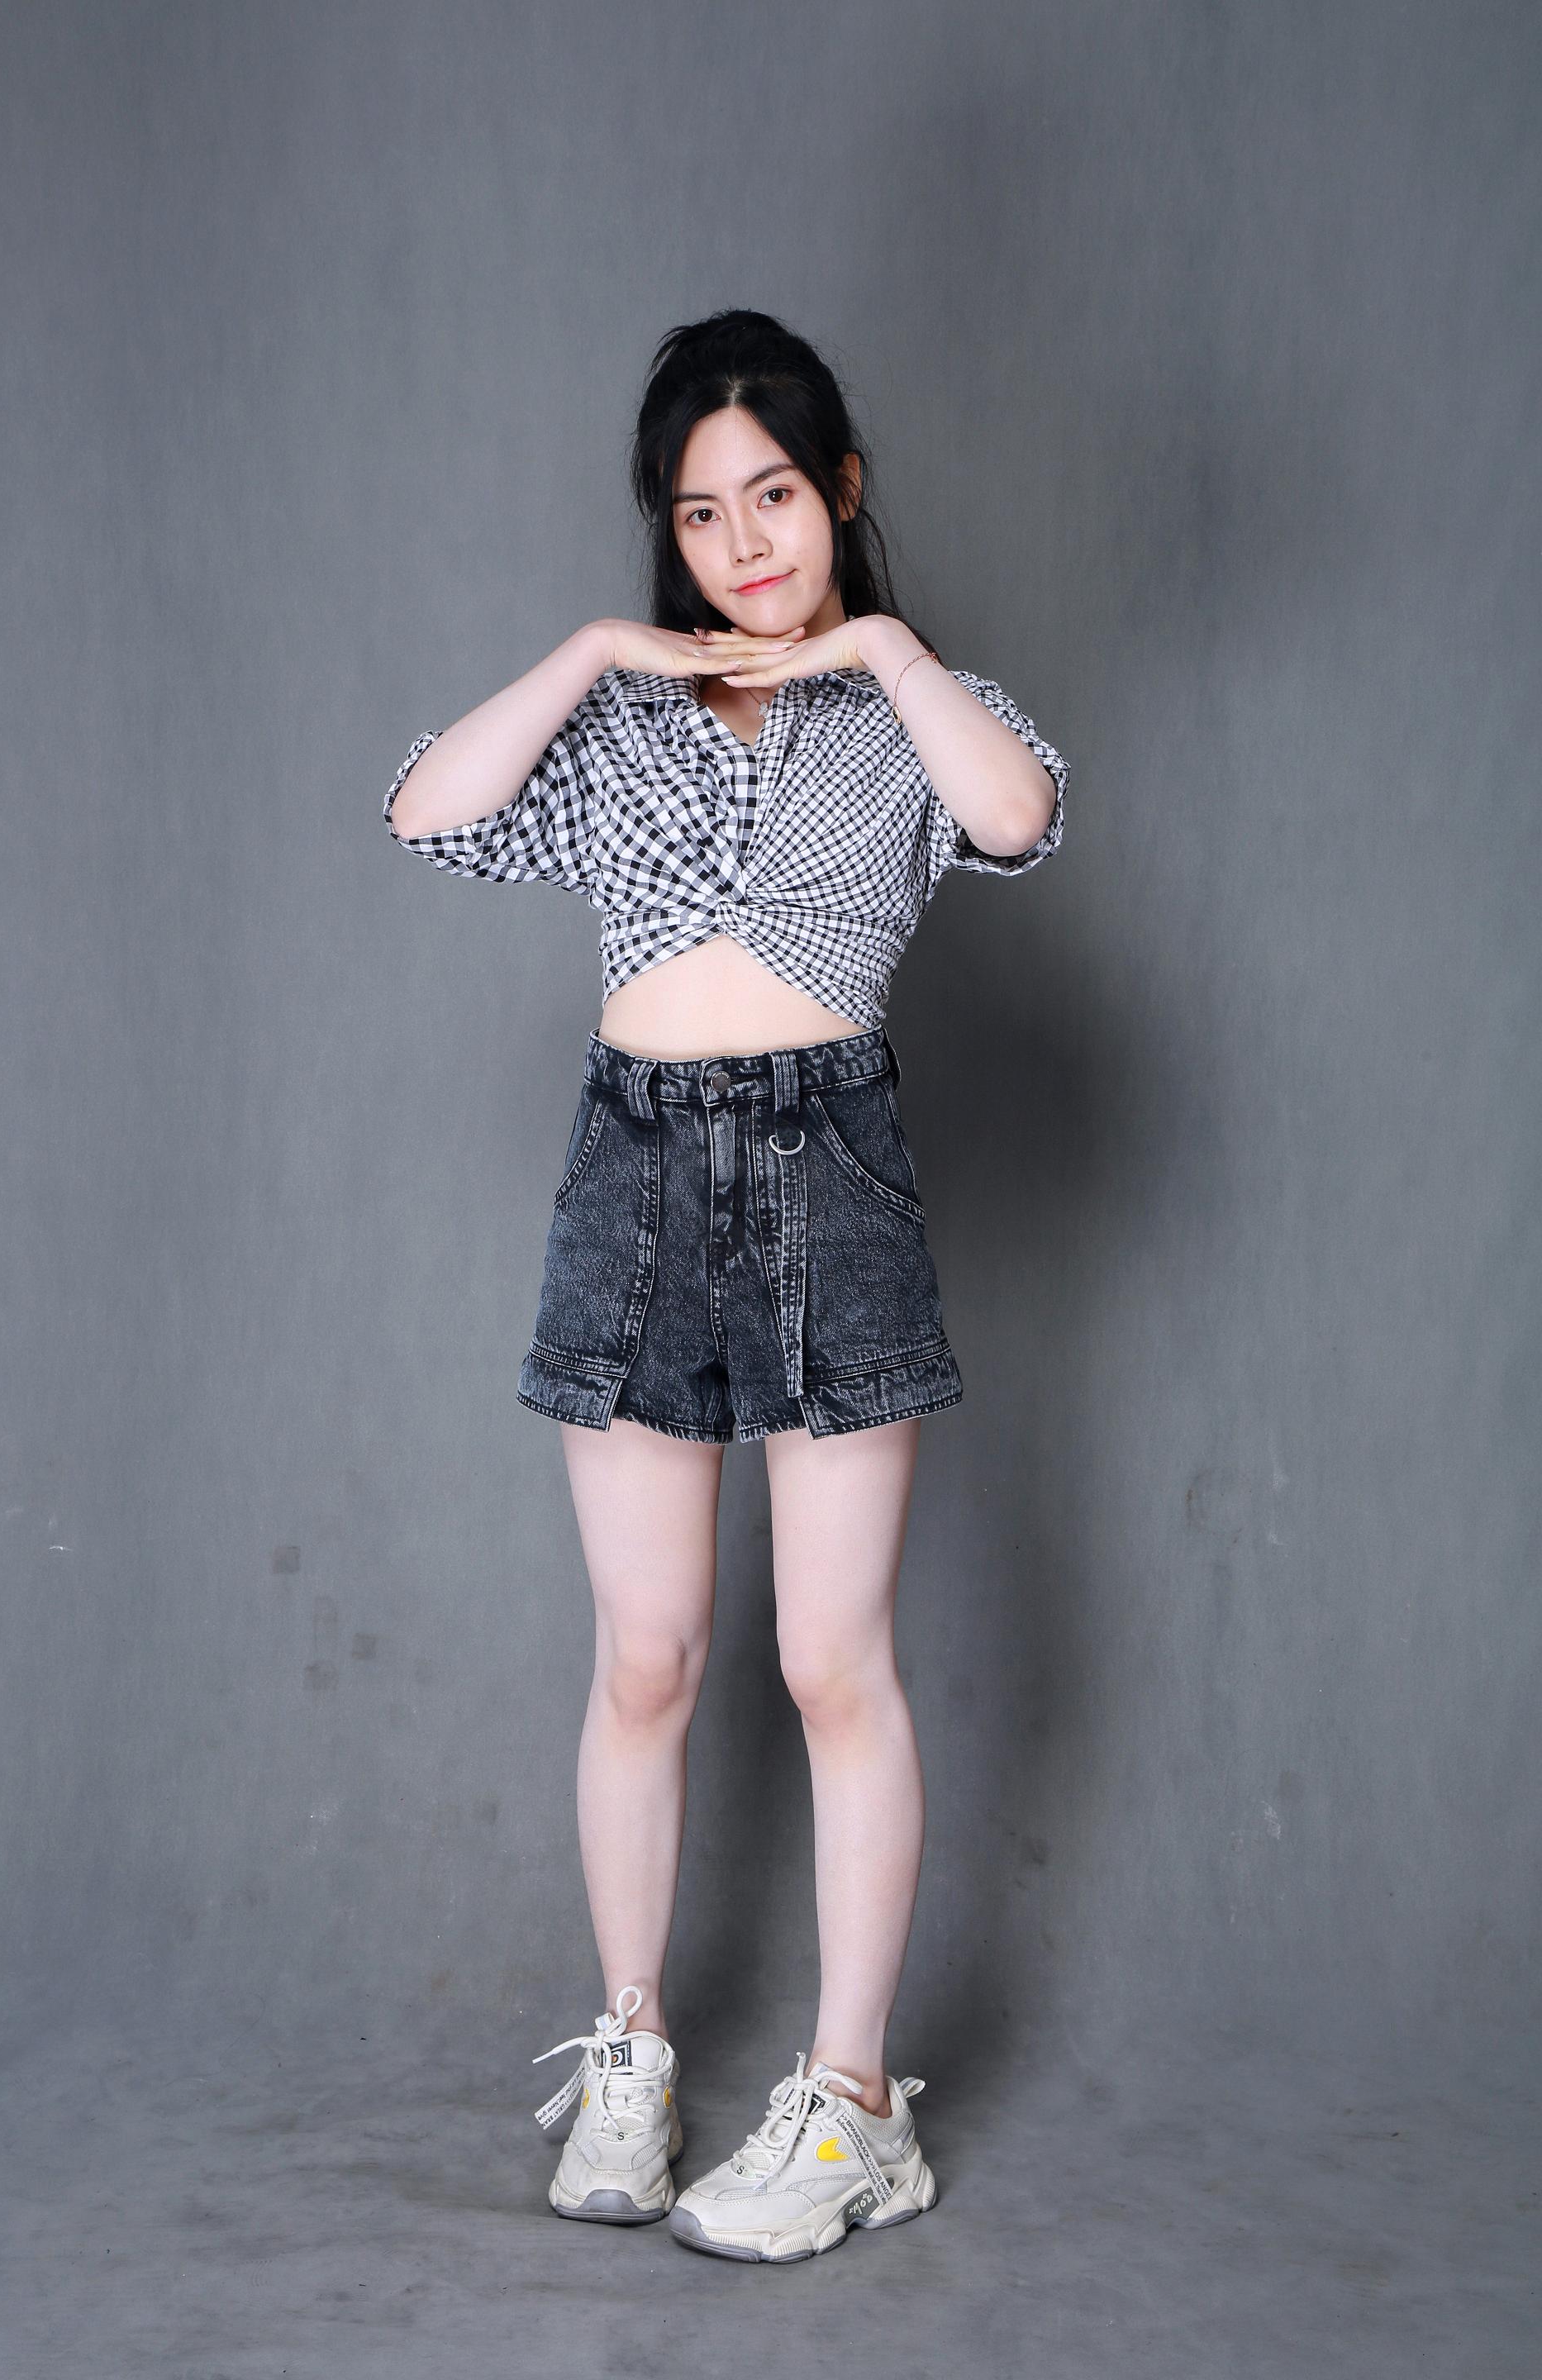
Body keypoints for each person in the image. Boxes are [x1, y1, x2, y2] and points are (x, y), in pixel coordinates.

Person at [381, 308, 1068, 2264]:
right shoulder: (624, 716)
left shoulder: (912, 712)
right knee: (649, 1654)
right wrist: (598, 649)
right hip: (634, 1175)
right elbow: (430, 807)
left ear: (839, 488)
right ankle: (634, 2050)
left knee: (833, 1660)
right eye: (700, 514)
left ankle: (856, 2106)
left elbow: (1017, 815)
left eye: (774, 495)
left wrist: (884, 651)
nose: (744, 544)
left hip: (830, 1167)